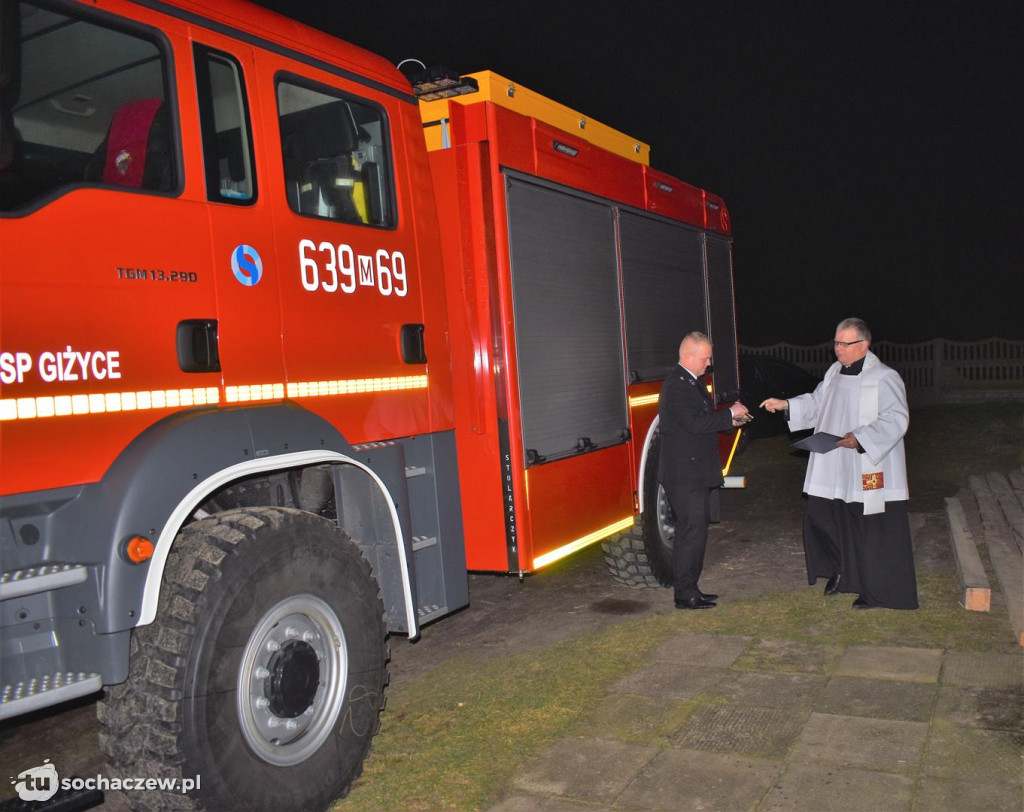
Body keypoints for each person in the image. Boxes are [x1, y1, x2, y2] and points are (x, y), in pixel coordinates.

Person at [760, 318, 918, 610]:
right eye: (836, 343)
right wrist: (787, 405)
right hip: (834, 465)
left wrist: (859, 439)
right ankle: (842, 572)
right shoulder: (834, 372)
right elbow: (818, 402)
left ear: (864, 345)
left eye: (845, 344)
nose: (838, 349)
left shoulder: (885, 377)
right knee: (822, 516)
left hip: (869, 465)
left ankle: (874, 589)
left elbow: (897, 419)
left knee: (868, 528)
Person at [659, 332, 750, 610]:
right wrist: (729, 412)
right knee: (691, 533)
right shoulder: (677, 385)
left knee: (696, 531)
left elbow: (702, 420)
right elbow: (695, 423)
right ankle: (685, 594)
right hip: (684, 475)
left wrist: (730, 422)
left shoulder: (692, 382)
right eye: (705, 358)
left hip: (694, 472)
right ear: (688, 356)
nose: (709, 363)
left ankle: (690, 588)